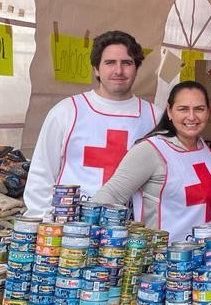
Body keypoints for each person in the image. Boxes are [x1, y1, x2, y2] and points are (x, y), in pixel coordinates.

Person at [24, 30, 156, 217]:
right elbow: (42, 172)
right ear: (96, 69)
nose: (118, 70)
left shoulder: (155, 117)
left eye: (126, 63)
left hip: (131, 231)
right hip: (72, 230)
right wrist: (43, 222)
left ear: (136, 68)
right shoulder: (67, 111)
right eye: (109, 63)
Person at [91, 81, 211, 239]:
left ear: (208, 112)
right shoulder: (151, 150)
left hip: (204, 258)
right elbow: (109, 196)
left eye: (199, 109)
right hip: (161, 259)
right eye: (183, 109)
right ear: (169, 111)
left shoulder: (210, 150)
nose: (192, 116)